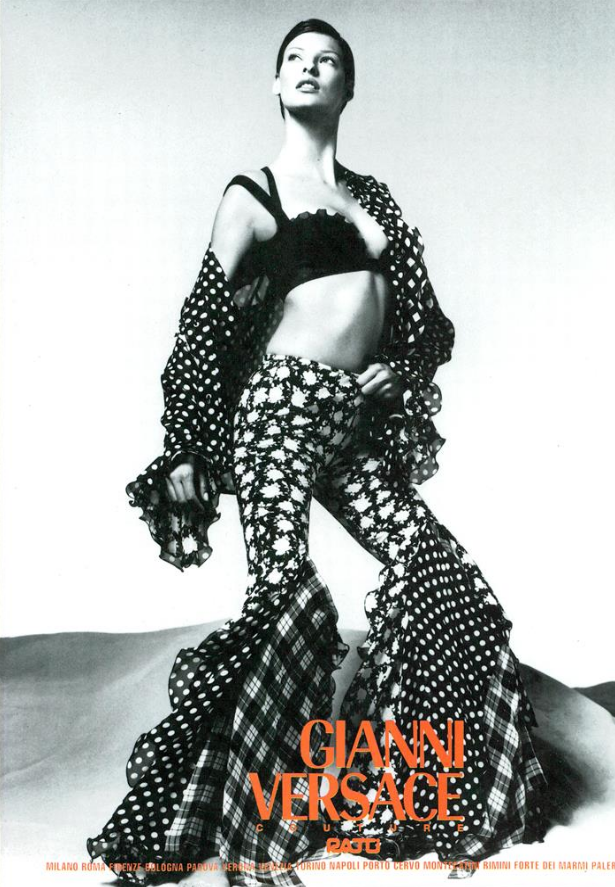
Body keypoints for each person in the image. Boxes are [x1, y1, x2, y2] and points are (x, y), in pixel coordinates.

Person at [87, 19, 548, 887]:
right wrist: (187, 445)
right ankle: (213, 833)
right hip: (280, 412)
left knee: (436, 567)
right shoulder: (252, 194)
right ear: (276, 84)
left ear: (348, 87)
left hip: (352, 421)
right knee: (287, 600)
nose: (309, 69)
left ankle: (427, 793)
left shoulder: (375, 199)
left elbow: (427, 323)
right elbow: (201, 328)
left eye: (326, 60)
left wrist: (397, 371)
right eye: (294, 60)